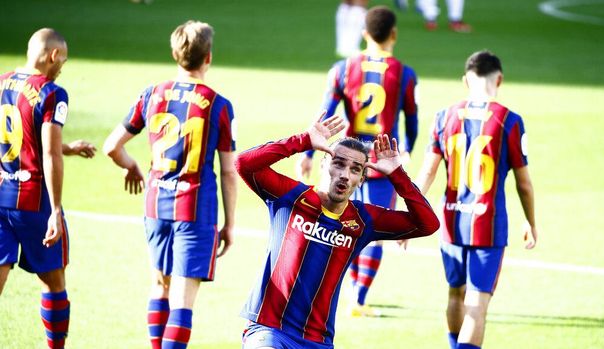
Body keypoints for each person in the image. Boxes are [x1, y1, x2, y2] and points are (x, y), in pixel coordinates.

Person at [237, 114, 439, 349]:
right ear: (324, 164)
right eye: (338, 163)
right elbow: (244, 163)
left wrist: (396, 174)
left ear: (361, 179)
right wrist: (302, 140)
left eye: (355, 169)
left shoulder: (364, 220)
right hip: (269, 330)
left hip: (317, 340)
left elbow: (428, 224)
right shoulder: (291, 197)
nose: (345, 174)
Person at [103, 20, 237, 349]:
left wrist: (132, 166)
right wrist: (230, 223)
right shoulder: (218, 104)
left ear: (176, 54)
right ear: (208, 57)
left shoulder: (151, 94)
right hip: (195, 209)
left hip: (155, 204)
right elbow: (230, 171)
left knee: (159, 286)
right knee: (182, 298)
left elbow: (111, 146)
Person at [298, 5, 419, 317]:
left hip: (347, 161)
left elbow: (325, 112)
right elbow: (412, 120)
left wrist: (310, 153)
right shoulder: (404, 73)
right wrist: (406, 150)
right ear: (394, 34)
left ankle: (334, 288)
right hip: (380, 164)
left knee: (341, 222)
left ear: (364, 33)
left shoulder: (342, 68)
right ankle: (359, 298)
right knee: (373, 229)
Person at [415, 50, 537, 349]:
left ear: (465, 81)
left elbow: (427, 172)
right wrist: (531, 222)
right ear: (500, 80)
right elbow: (524, 184)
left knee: (455, 294)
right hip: (488, 226)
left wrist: (411, 216)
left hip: (451, 222)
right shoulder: (509, 120)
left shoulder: (443, 117)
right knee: (477, 303)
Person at [0, 28, 76, 349]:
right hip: (33, 201)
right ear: (53, 55)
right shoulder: (51, 92)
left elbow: (18, 135)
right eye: (63, 61)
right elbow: (47, 152)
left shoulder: (2, 81)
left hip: (2, 194)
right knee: (54, 282)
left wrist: (67, 147)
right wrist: (55, 211)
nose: (62, 68)